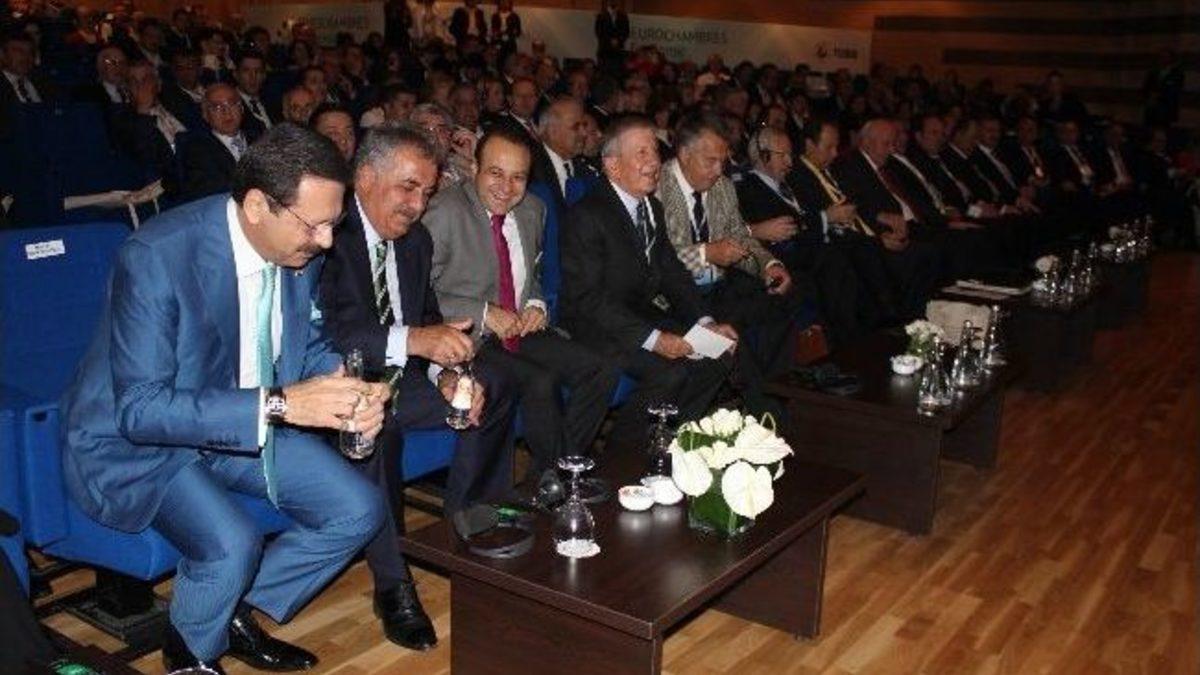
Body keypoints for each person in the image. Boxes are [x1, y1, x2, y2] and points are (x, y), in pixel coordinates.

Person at [59, 125, 387, 674]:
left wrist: (341, 384)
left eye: (335, 223)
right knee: (232, 543)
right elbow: (140, 409)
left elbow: (302, 345)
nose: (328, 241)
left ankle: (227, 612)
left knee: (358, 510)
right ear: (257, 206)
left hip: (239, 421)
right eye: (315, 225)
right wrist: (281, 405)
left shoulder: (298, 250)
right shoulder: (157, 256)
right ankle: (191, 654)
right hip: (141, 443)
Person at [319, 125, 517, 651]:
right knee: (376, 428)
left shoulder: (415, 240)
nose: (417, 204)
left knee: (492, 382)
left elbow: (426, 320)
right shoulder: (327, 236)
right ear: (365, 177)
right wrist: (417, 341)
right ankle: (393, 585)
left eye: (427, 192)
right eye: (407, 188)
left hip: (400, 377)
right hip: (339, 384)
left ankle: (468, 525)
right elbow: (330, 334)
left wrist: (445, 372)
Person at [425, 126, 619, 476]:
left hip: (518, 329)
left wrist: (536, 305)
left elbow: (533, 276)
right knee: (540, 382)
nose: (507, 187)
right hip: (468, 337)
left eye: (518, 177)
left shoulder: (532, 209)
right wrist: (484, 313)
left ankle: (556, 472)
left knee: (600, 370)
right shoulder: (444, 212)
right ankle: (560, 479)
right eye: (496, 173)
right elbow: (420, 293)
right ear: (474, 169)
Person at [560, 115, 735, 451]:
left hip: (636, 314)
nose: (654, 162)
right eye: (641, 153)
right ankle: (623, 458)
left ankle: (671, 443)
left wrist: (705, 322)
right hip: (594, 325)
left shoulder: (651, 207)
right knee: (668, 372)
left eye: (654, 151)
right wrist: (654, 340)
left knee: (718, 355)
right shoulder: (588, 215)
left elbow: (673, 273)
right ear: (613, 165)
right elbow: (589, 300)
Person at [655, 113, 797, 416]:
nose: (719, 170)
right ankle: (767, 415)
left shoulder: (723, 186)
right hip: (673, 298)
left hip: (717, 286)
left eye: (723, 161)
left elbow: (739, 237)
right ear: (684, 154)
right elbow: (656, 262)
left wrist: (769, 265)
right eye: (710, 161)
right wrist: (706, 253)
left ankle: (779, 396)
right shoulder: (656, 187)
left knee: (778, 307)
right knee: (731, 337)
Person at [737, 126, 866, 347]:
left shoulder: (789, 183)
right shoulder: (748, 188)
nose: (789, 162)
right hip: (784, 255)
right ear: (763, 155)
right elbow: (786, 228)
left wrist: (828, 222)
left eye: (790, 155)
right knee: (832, 261)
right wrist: (822, 220)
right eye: (782, 155)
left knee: (858, 249)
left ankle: (858, 336)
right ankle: (844, 343)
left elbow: (805, 219)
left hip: (809, 247)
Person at [180, 83, 255, 200]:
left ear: (241, 108)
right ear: (205, 115)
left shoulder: (260, 138)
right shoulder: (197, 151)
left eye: (231, 104)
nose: (226, 112)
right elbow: (212, 191)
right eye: (217, 107)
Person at [234, 50, 271, 138]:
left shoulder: (272, 101)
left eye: (258, 71)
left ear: (264, 75)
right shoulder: (231, 105)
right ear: (236, 74)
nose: (253, 77)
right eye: (246, 71)